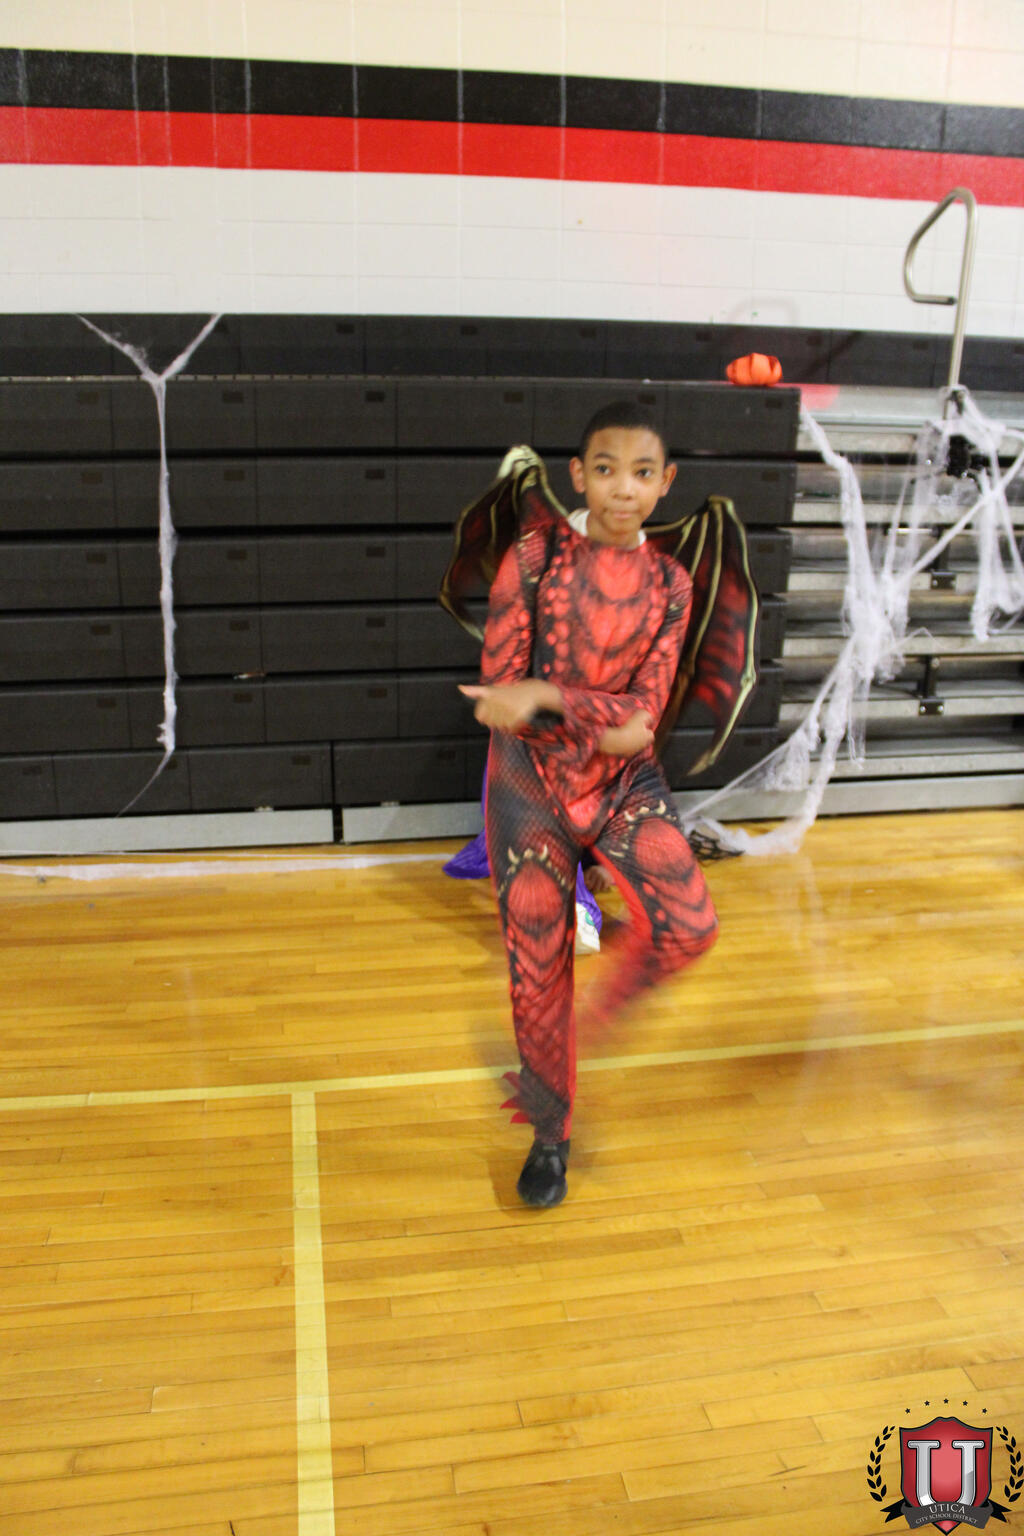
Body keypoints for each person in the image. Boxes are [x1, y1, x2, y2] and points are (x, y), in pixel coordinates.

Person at [458, 402, 723, 1209]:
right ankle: (550, 1135)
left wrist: (545, 693)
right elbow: (498, 698)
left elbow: (636, 728)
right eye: (606, 470)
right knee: (537, 967)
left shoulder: (672, 584)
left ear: (666, 482)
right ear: (578, 475)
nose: (623, 490)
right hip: (528, 787)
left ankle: (584, 1034)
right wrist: (541, 704)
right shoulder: (534, 556)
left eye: (642, 474)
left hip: (621, 783)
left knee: (689, 927)